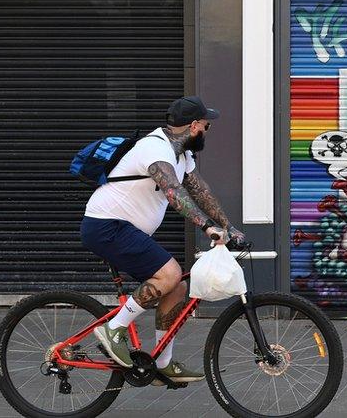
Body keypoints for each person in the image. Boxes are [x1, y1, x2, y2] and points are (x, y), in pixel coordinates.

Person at [80, 96, 246, 384]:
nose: (207, 131)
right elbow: (174, 192)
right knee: (169, 273)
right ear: (194, 125)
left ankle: (161, 364)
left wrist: (228, 227)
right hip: (106, 226)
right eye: (206, 126)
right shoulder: (154, 148)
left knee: (176, 287)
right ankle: (113, 329)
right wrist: (208, 228)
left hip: (125, 230)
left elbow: (200, 191)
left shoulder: (182, 154)